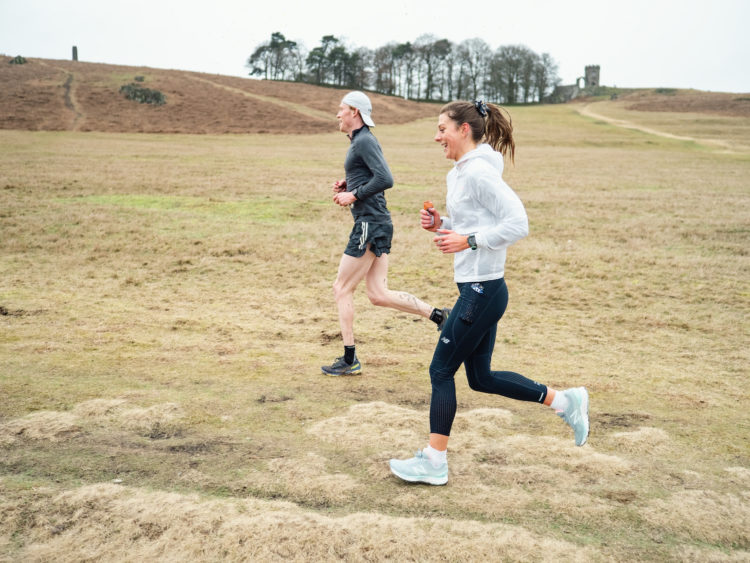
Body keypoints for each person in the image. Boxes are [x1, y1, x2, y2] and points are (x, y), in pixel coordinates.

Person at [389, 100, 589, 485]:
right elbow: (475, 222)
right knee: (480, 378)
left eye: (442, 129)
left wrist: (468, 241)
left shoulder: (479, 172)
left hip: (482, 291)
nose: (436, 136)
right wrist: (443, 224)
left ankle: (434, 462)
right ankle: (566, 401)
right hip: (481, 289)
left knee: (441, 369)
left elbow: (518, 223)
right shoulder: (460, 173)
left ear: (464, 130)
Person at [322, 91, 449, 376]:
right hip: (377, 222)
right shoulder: (359, 141)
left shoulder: (364, 140)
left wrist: (353, 194)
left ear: (354, 111)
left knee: (341, 288)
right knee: (378, 294)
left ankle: (349, 359)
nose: (338, 114)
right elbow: (372, 176)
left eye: (341, 109)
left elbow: (386, 178)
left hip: (369, 223)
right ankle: (439, 315)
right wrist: (349, 184)